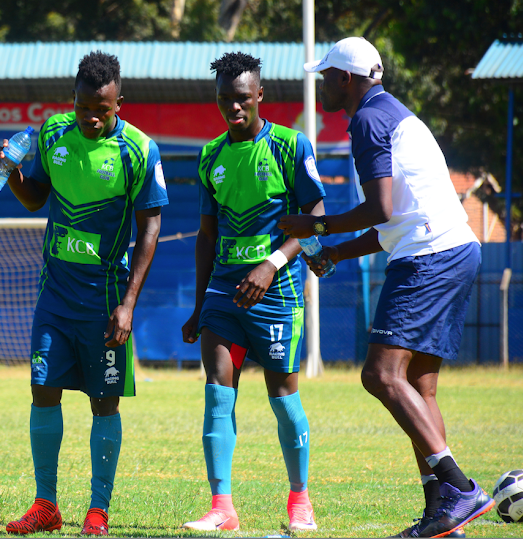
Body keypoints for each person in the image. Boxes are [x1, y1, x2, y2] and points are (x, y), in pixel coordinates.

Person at [279, 37, 494, 538]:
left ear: (347, 80)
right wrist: (334, 253)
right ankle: (445, 516)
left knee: (380, 374)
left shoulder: (368, 120)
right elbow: (393, 223)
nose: (322, 84)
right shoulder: (394, 113)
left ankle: (459, 488)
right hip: (454, 248)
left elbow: (382, 209)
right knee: (419, 386)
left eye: (326, 75)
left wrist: (314, 228)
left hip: (429, 259)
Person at [0, 51, 168, 537]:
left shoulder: (139, 150)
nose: (90, 117)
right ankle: (45, 505)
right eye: (83, 107)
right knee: (42, 390)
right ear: (73, 99)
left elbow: (150, 224)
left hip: (105, 299)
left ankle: (97, 509)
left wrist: (128, 303)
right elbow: (36, 199)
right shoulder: (51, 133)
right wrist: (11, 174)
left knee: (103, 402)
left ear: (119, 104)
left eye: (102, 109)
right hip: (55, 294)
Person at [181, 52, 326, 533]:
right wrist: (200, 302)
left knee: (283, 396)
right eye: (225, 100)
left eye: (242, 99)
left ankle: (300, 501)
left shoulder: (290, 145)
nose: (233, 109)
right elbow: (206, 235)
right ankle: (222, 506)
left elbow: (315, 218)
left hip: (279, 292)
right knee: (217, 392)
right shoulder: (210, 156)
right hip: (224, 290)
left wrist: (273, 262)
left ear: (260, 95)